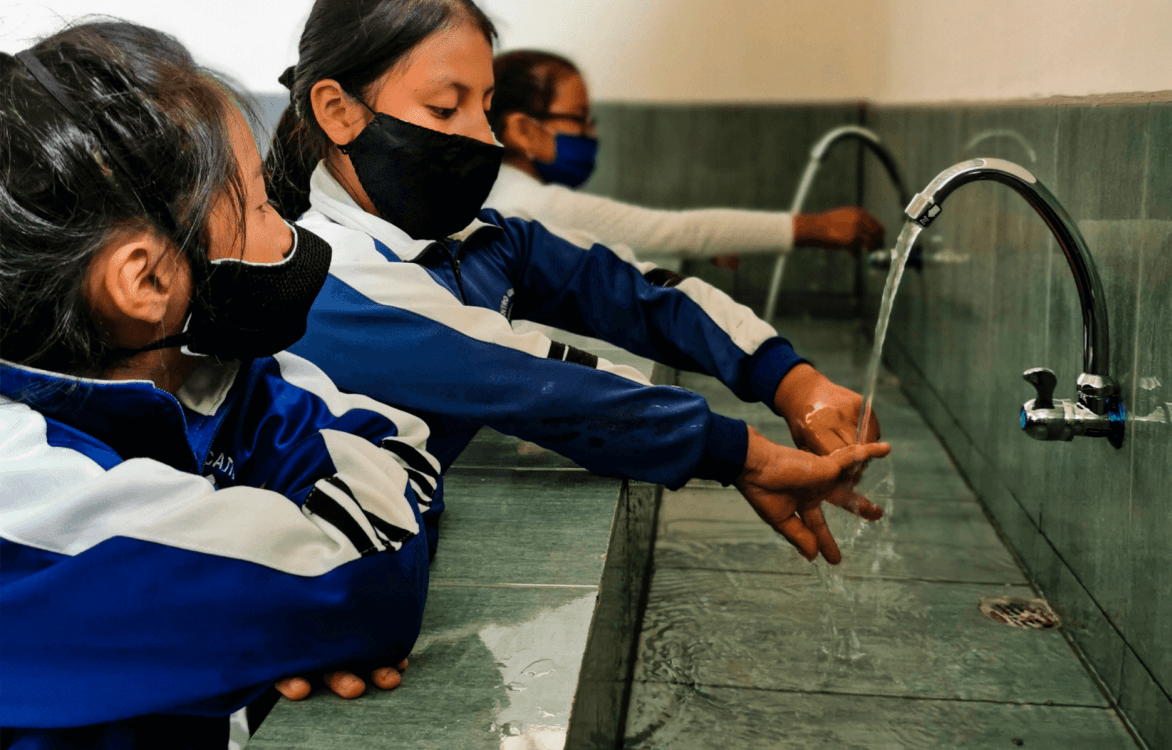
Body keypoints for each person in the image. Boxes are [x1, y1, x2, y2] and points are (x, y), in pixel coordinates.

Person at [265, 0, 889, 574]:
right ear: (338, 112)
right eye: (444, 107)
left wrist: (791, 380)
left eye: (484, 105)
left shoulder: (477, 239)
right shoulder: (334, 282)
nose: (485, 138)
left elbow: (631, 288)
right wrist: (746, 456)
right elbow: (546, 384)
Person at [0, 22, 441, 747]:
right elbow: (367, 574)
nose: (290, 236)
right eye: (264, 208)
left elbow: (396, 442)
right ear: (145, 279)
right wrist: (312, 605)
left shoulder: (201, 372)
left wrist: (282, 619)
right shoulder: (33, 495)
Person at [485, 50, 887, 269]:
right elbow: (677, 231)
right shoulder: (534, 204)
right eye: (580, 120)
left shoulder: (496, 190)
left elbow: (598, 240)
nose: (591, 136)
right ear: (523, 131)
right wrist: (814, 228)